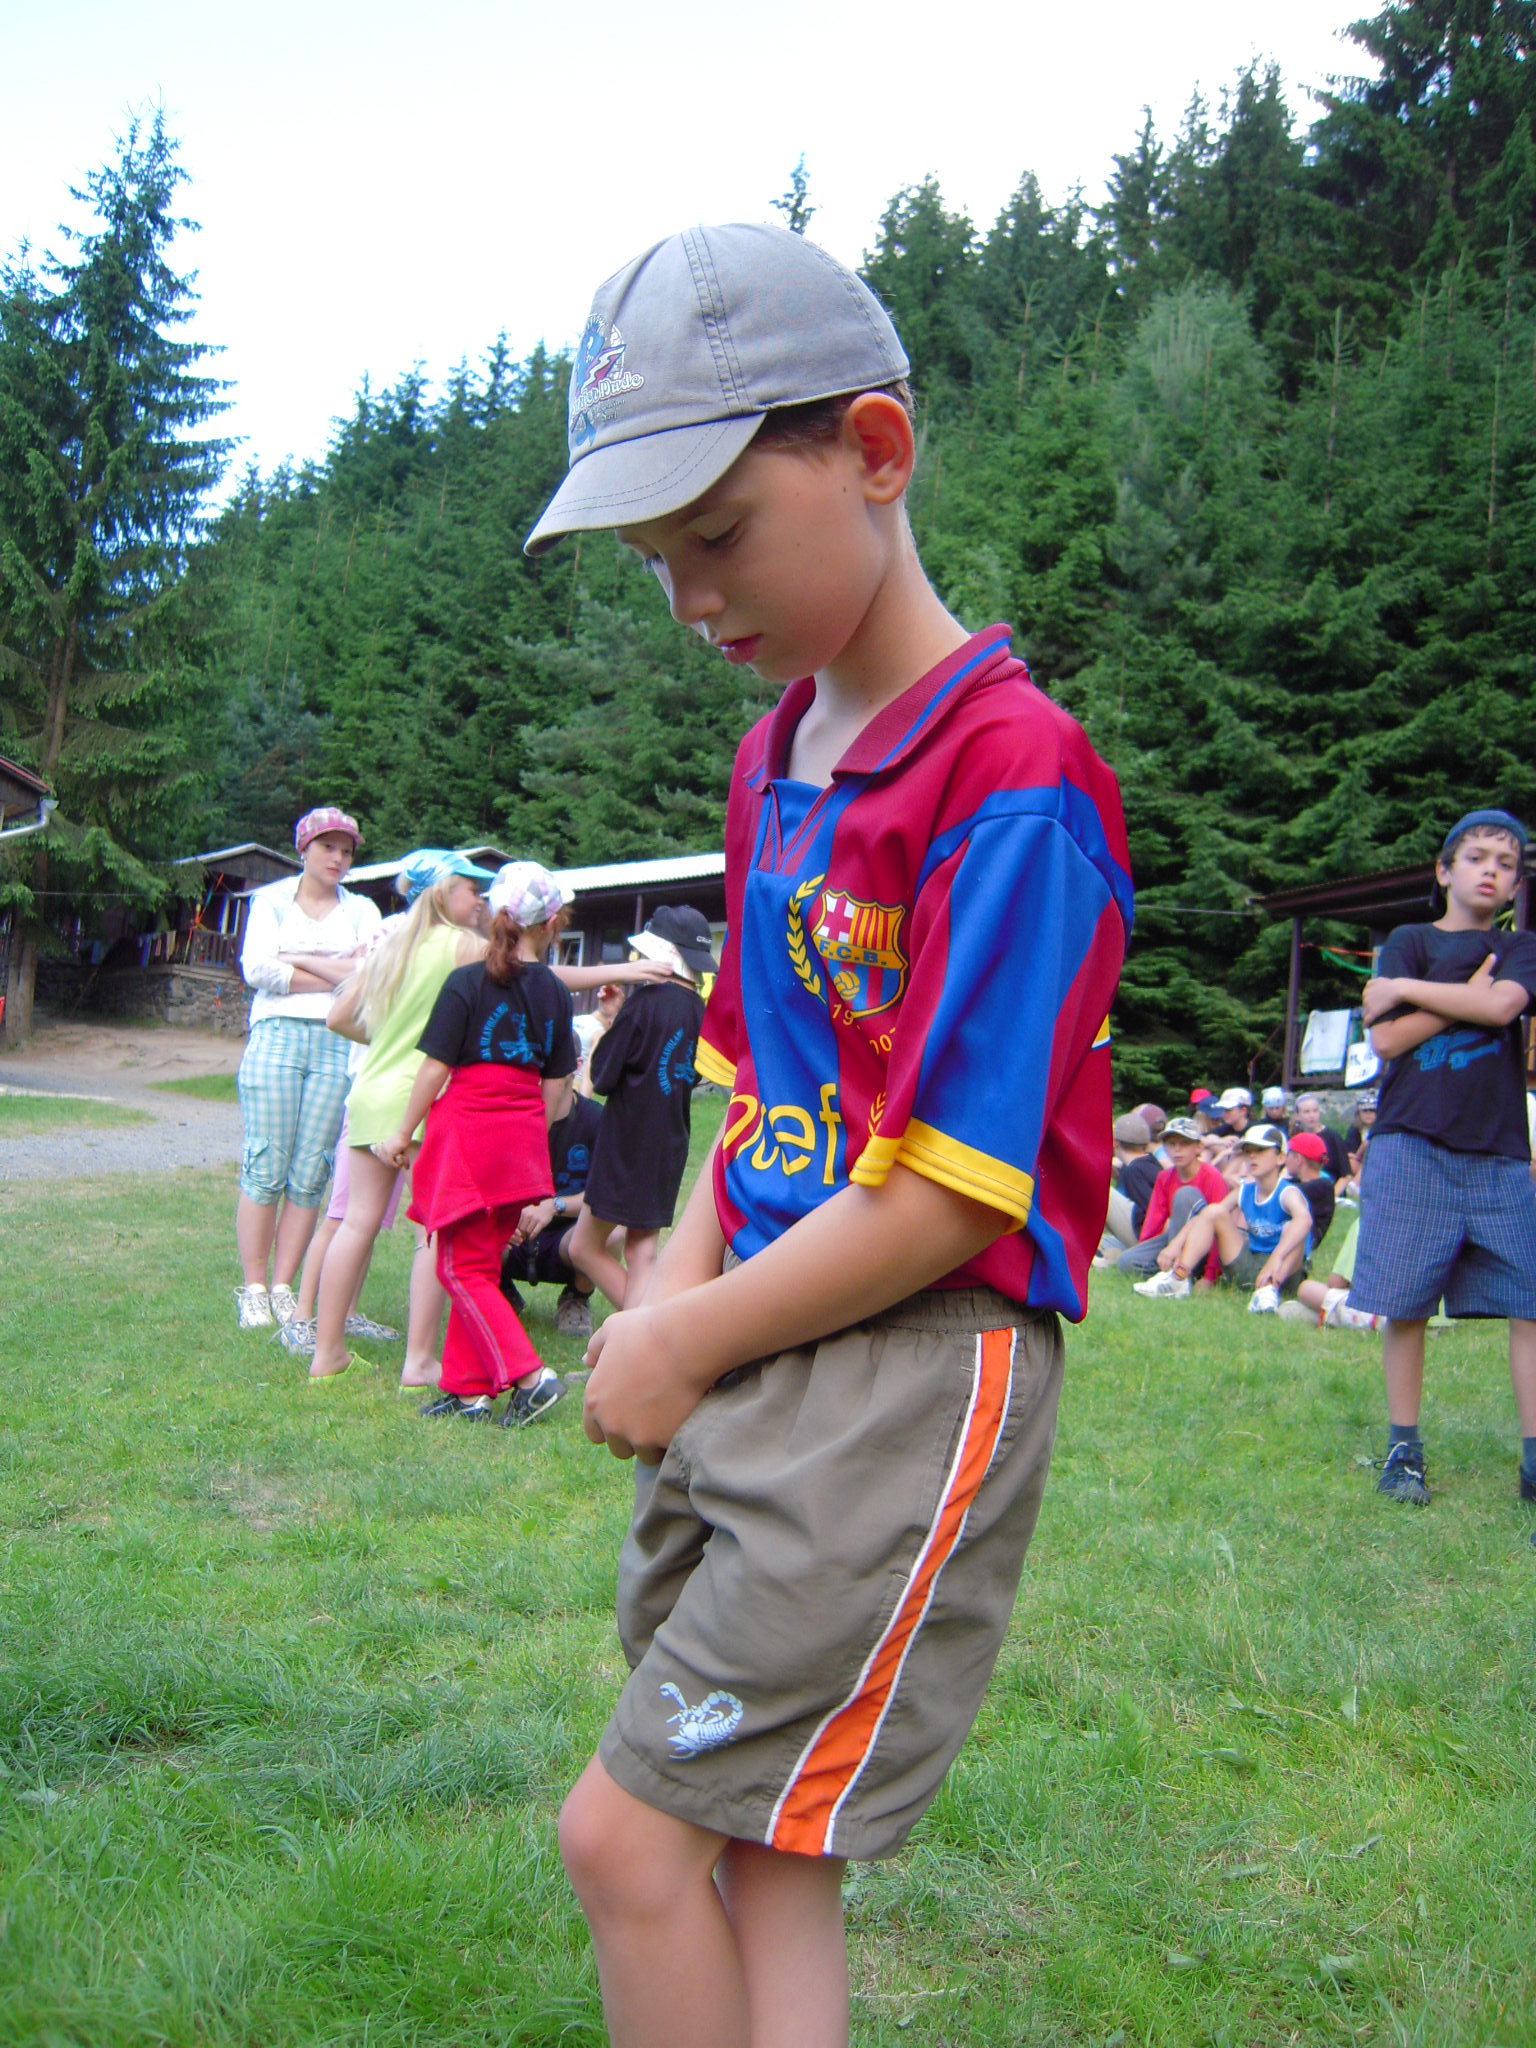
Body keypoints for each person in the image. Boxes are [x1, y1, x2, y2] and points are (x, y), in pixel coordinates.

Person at [523, 221, 1131, 2048]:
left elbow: (952, 1191)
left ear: (875, 450)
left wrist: (692, 1329)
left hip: (904, 1360)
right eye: (654, 561)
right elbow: (751, 1081)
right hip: (759, 1333)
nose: (689, 599)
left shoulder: (1014, 775)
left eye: (716, 535)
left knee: (622, 1837)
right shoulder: (772, 754)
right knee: (762, 1838)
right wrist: (673, 1302)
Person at [1346, 809, 1536, 1507]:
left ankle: (1535, 1459)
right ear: (1444, 870)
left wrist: (1405, 992)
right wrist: (1464, 1000)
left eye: (1506, 864)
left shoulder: (1521, 947)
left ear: (1515, 886)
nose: (1491, 871)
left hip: (1500, 1152)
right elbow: (1387, 1043)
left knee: (1531, 1301)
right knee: (1406, 1302)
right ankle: (1404, 1449)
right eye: (1477, 857)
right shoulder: (1410, 940)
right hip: (1410, 1142)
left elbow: (1504, 1007)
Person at [382, 861, 577, 1426]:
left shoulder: (467, 982)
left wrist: (402, 1132)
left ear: (495, 914)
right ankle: (468, 1390)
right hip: (521, 1137)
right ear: (552, 923)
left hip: (469, 1134)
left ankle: (531, 1378)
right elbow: (557, 1085)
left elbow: (435, 1068)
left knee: (458, 1268)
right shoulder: (557, 993)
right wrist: (530, 1149)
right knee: (481, 1263)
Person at [306, 852, 494, 1381]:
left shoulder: (391, 945)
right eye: (471, 889)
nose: (480, 899)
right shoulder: (466, 946)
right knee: (431, 1231)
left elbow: (338, 1016)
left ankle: (327, 1354)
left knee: (356, 1222)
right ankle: (419, 1361)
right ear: (443, 893)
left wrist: (389, 1038)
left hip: (371, 1093)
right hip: (422, 1100)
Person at [234, 806, 380, 1329]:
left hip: (338, 1040)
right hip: (276, 1034)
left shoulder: (362, 909)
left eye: (346, 851)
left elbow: (369, 971)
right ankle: (253, 1286)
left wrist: (295, 957)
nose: (337, 858)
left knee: (311, 1169)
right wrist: (335, 970)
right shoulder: (271, 900)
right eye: (327, 847)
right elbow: (257, 968)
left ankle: (283, 1285)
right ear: (304, 849)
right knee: (265, 1161)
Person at [565, 906, 713, 1311]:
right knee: (642, 1250)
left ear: (664, 955)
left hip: (627, 1144)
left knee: (583, 1247)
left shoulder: (644, 1003)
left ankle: (638, 1332)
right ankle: (643, 1333)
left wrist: (612, 1023)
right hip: (669, 1144)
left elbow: (602, 1076)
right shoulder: (701, 1013)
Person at [1134, 1123, 1312, 1308]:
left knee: (1295, 1226)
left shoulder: (1288, 1193)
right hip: (1250, 1267)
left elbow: (1305, 1220)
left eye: (1260, 1150)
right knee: (1214, 1211)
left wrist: (1276, 1258)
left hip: (1284, 1274)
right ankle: (1178, 1277)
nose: (1252, 1156)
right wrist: (1175, 1244)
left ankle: (1270, 1291)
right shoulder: (1245, 1190)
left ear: (1281, 1158)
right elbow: (1207, 1215)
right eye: (1248, 1151)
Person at [501, 1082, 606, 1341]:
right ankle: (498, 1292)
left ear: (575, 1067)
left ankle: (576, 1298)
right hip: (513, 1234)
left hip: (568, 1235)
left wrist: (554, 1206)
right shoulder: (511, 1115)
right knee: (470, 1224)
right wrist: (500, 1218)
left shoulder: (595, 1118)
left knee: (612, 1231)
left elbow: (606, 1195)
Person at [1115, 1115, 1230, 1279]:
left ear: (1198, 1147)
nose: (1177, 1149)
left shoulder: (1212, 1177)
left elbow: (1218, 1230)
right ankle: (1170, 1271)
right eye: (1171, 1144)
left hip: (1204, 1245)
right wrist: (1144, 1249)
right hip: (1173, 1239)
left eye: (1184, 1144)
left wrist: (1210, 1276)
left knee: (1185, 1195)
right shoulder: (1164, 1177)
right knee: (1126, 1261)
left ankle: (1180, 1274)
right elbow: (1154, 1221)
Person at [1100, 1112, 1159, 1254]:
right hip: (1150, 1235)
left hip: (1146, 1239)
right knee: (1103, 1242)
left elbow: (1152, 1210)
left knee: (1103, 1191)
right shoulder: (1152, 1163)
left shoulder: (1134, 1171)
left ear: (1115, 1143)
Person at [1284, 1129, 1336, 1245]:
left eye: (1288, 1155)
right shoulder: (1303, 1183)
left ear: (1298, 1159)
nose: (1285, 1160)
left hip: (1304, 1242)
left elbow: (1281, 1191)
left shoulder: (1322, 1186)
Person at [1293, 1093, 1350, 1181]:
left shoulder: (1332, 1137)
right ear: (1297, 1116)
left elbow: (1346, 1175)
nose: (1311, 1115)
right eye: (1307, 1112)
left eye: (1315, 1111)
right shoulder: (1296, 1140)